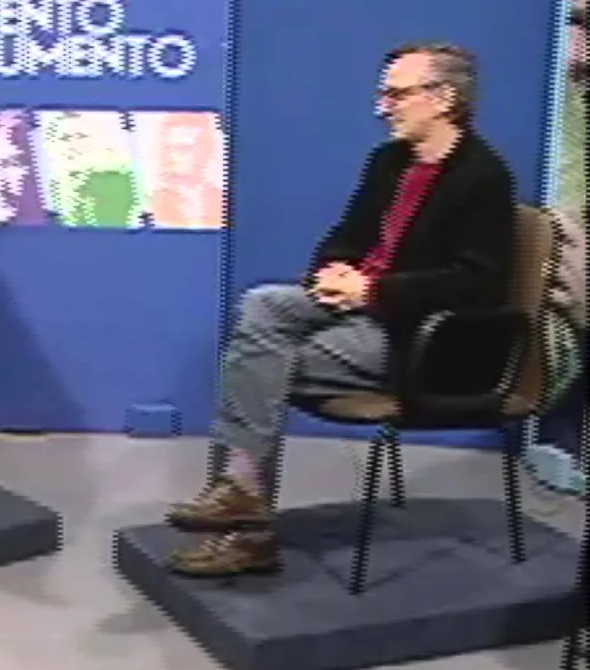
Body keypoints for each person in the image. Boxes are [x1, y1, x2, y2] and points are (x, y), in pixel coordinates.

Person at [165, 42, 518, 577]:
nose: (383, 107)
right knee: (262, 306)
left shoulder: (484, 177)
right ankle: (241, 501)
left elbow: (475, 285)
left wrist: (373, 292)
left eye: (396, 95)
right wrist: (333, 271)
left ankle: (246, 524)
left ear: (443, 99)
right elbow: (348, 235)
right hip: (360, 307)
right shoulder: (388, 162)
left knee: (259, 366)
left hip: (420, 337)